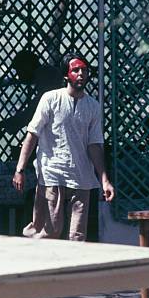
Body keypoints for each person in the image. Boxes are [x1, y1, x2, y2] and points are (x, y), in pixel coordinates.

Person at [12, 52, 115, 241]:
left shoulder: (92, 106)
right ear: (67, 75)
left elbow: (95, 145)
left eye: (84, 70)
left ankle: (71, 270)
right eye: (76, 70)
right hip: (53, 173)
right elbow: (32, 134)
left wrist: (104, 180)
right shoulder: (50, 99)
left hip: (81, 176)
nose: (81, 74)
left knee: (78, 236)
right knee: (50, 231)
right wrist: (20, 169)